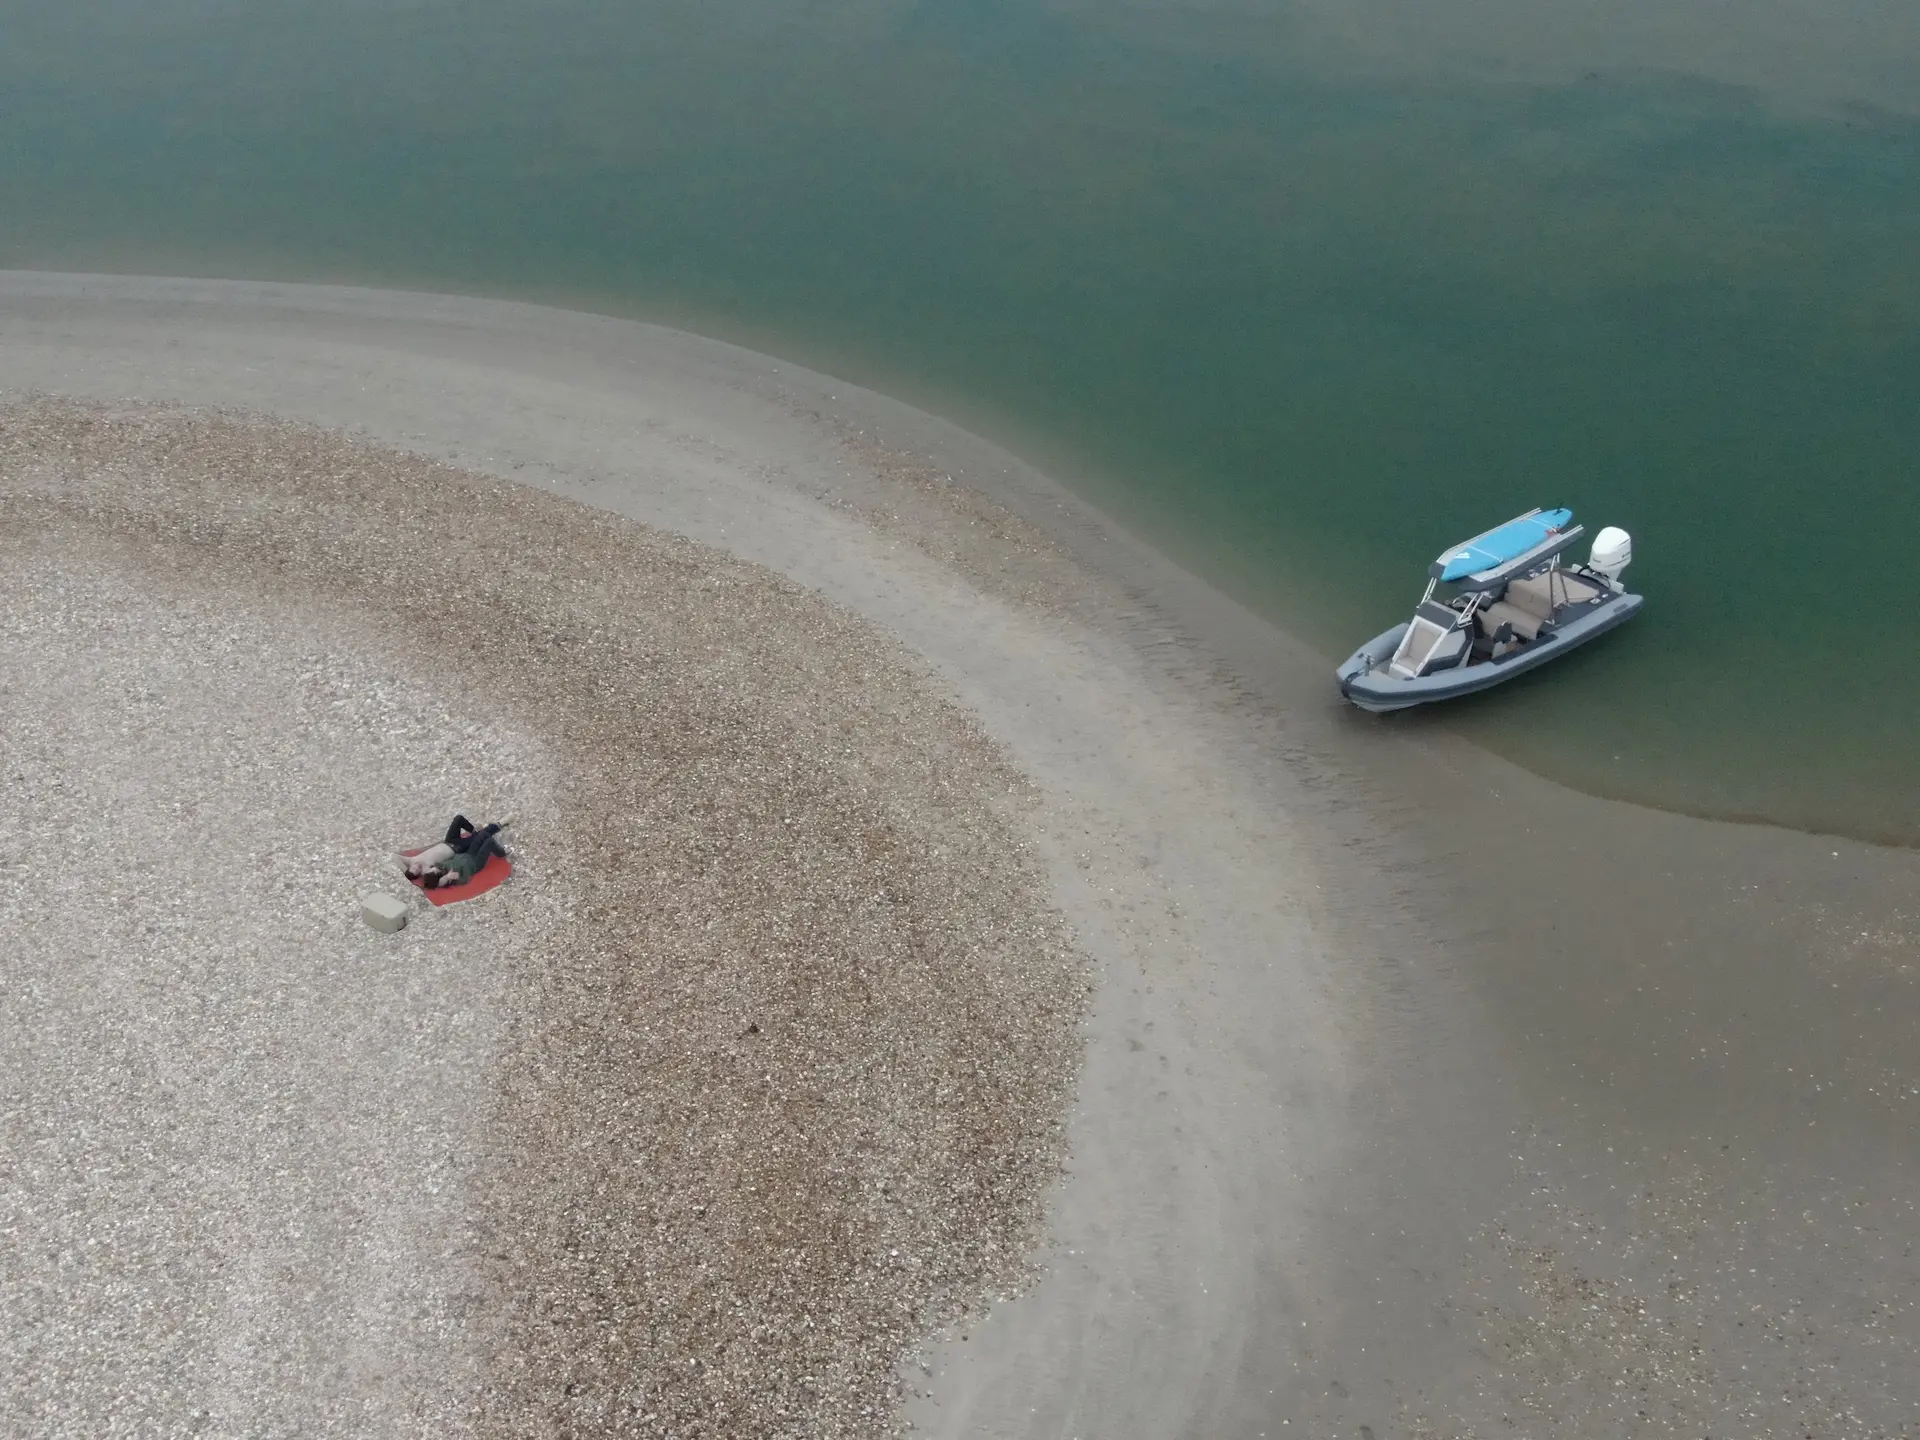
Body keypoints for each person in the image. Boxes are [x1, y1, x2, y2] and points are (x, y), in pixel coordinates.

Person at [401, 815, 512, 883]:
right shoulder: (427, 870)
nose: (416, 867)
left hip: (449, 841)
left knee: (458, 819)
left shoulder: (412, 860)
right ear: (419, 874)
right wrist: (447, 877)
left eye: (413, 867)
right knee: (482, 835)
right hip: (458, 849)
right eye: (416, 871)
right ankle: (500, 823)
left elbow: (395, 857)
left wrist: (404, 874)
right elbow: (436, 881)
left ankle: (473, 830)